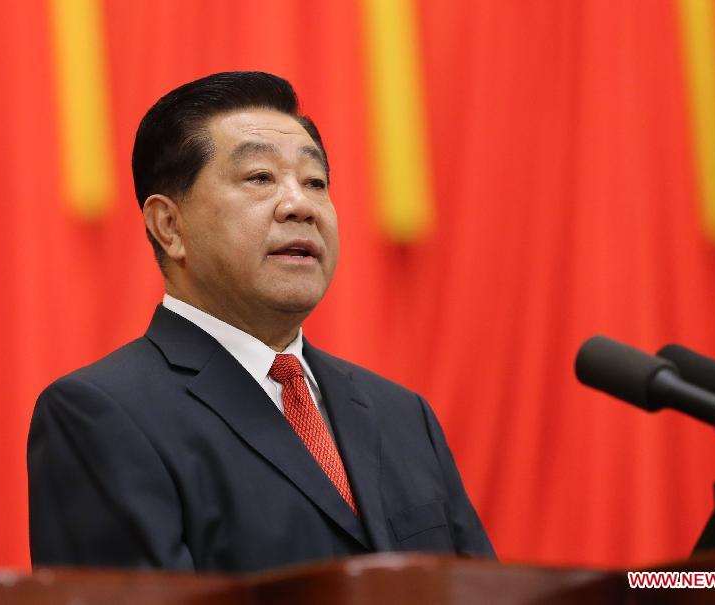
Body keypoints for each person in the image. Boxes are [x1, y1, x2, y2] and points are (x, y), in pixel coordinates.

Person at [27, 71, 494, 573]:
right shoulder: (102, 416)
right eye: (259, 178)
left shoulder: (403, 415)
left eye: (315, 183)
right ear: (169, 225)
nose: (301, 206)